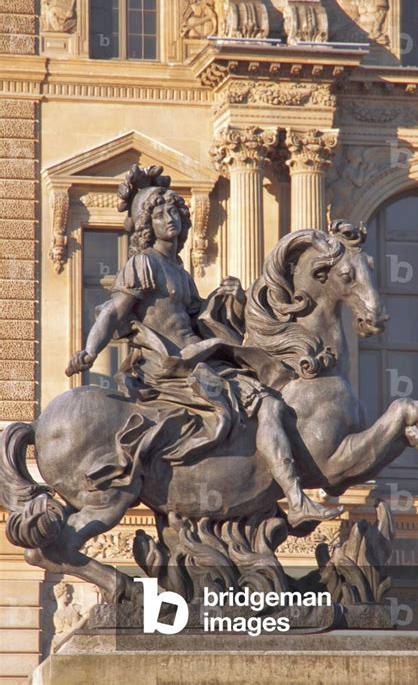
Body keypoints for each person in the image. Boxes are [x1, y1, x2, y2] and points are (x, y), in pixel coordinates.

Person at [67, 165, 342, 527]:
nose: (172, 219)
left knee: (264, 387)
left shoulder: (179, 272)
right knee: (267, 404)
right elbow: (113, 312)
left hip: (196, 356)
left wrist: (224, 298)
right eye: (160, 213)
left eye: (175, 211)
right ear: (147, 224)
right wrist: (89, 351)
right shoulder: (143, 264)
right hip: (171, 366)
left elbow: (197, 317)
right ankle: (295, 497)